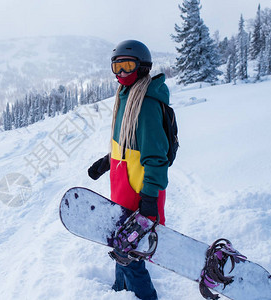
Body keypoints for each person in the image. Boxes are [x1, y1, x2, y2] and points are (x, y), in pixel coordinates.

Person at [88, 40, 170, 300]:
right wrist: (106, 162)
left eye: (127, 66)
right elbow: (127, 144)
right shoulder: (126, 96)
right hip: (123, 191)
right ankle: (119, 292)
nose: (121, 73)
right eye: (117, 67)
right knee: (120, 246)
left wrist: (149, 201)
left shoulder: (146, 104)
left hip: (139, 195)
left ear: (143, 67)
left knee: (132, 257)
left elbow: (156, 158)